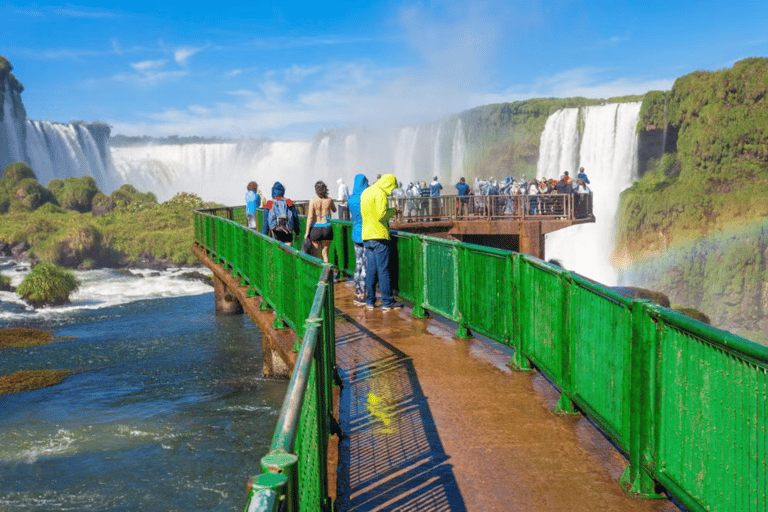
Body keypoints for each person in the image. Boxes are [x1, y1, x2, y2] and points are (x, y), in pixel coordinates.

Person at [361, 173, 401, 310]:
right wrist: (393, 211)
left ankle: (370, 301)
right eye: (392, 187)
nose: (392, 190)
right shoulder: (380, 194)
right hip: (379, 235)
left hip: (366, 235)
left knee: (371, 269)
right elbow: (381, 215)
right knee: (383, 270)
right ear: (388, 184)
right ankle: (387, 301)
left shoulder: (366, 192)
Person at [347, 174, 369, 306]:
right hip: (366, 233)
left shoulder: (351, 199)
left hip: (355, 233)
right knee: (365, 266)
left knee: (358, 264)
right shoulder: (365, 197)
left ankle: (357, 292)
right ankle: (362, 295)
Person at [305, 180, 337, 263]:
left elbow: (310, 217)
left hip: (316, 229)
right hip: (327, 228)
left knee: (316, 255)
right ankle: (327, 273)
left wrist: (307, 232)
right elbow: (334, 210)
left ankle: (318, 274)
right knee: (325, 254)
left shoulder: (312, 200)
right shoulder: (329, 200)